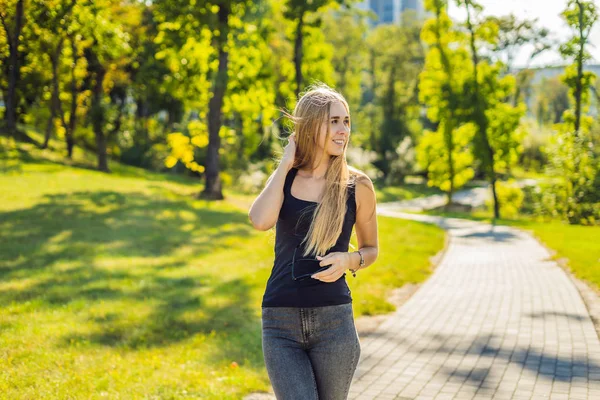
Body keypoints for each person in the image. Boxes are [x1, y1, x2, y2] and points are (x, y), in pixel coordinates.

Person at [248, 83, 379, 400]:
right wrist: (285, 162)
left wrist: (349, 261)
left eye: (346, 121)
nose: (342, 130)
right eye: (333, 120)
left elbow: (371, 249)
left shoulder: (357, 184)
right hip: (281, 323)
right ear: (310, 125)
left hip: (334, 324)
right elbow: (260, 220)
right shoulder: (287, 178)